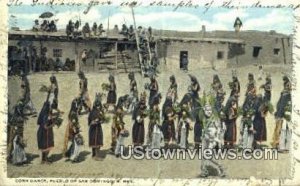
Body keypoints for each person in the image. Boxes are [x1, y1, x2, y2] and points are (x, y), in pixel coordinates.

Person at [200, 102, 225, 178]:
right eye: (207, 110)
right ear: (204, 111)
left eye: (210, 110)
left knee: (208, 156)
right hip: (205, 139)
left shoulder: (215, 119)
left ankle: (220, 168)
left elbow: (218, 129)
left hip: (212, 139)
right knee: (203, 156)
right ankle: (204, 171)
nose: (209, 111)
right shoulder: (204, 119)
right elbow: (204, 129)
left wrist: (216, 140)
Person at [271, 76, 291, 148]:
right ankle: (276, 143)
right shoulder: (284, 94)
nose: (286, 86)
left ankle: (277, 143)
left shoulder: (286, 94)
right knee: (279, 129)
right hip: (281, 114)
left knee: (281, 129)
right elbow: (279, 105)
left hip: (282, 114)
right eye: (286, 85)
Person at [88, 95, 106, 161]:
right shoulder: (92, 112)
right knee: (95, 142)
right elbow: (90, 122)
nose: (98, 107)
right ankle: (95, 156)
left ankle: (95, 155)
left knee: (97, 142)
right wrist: (95, 121)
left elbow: (102, 119)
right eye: (97, 106)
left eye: (99, 106)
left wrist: (101, 120)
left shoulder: (99, 112)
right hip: (93, 129)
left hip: (98, 128)